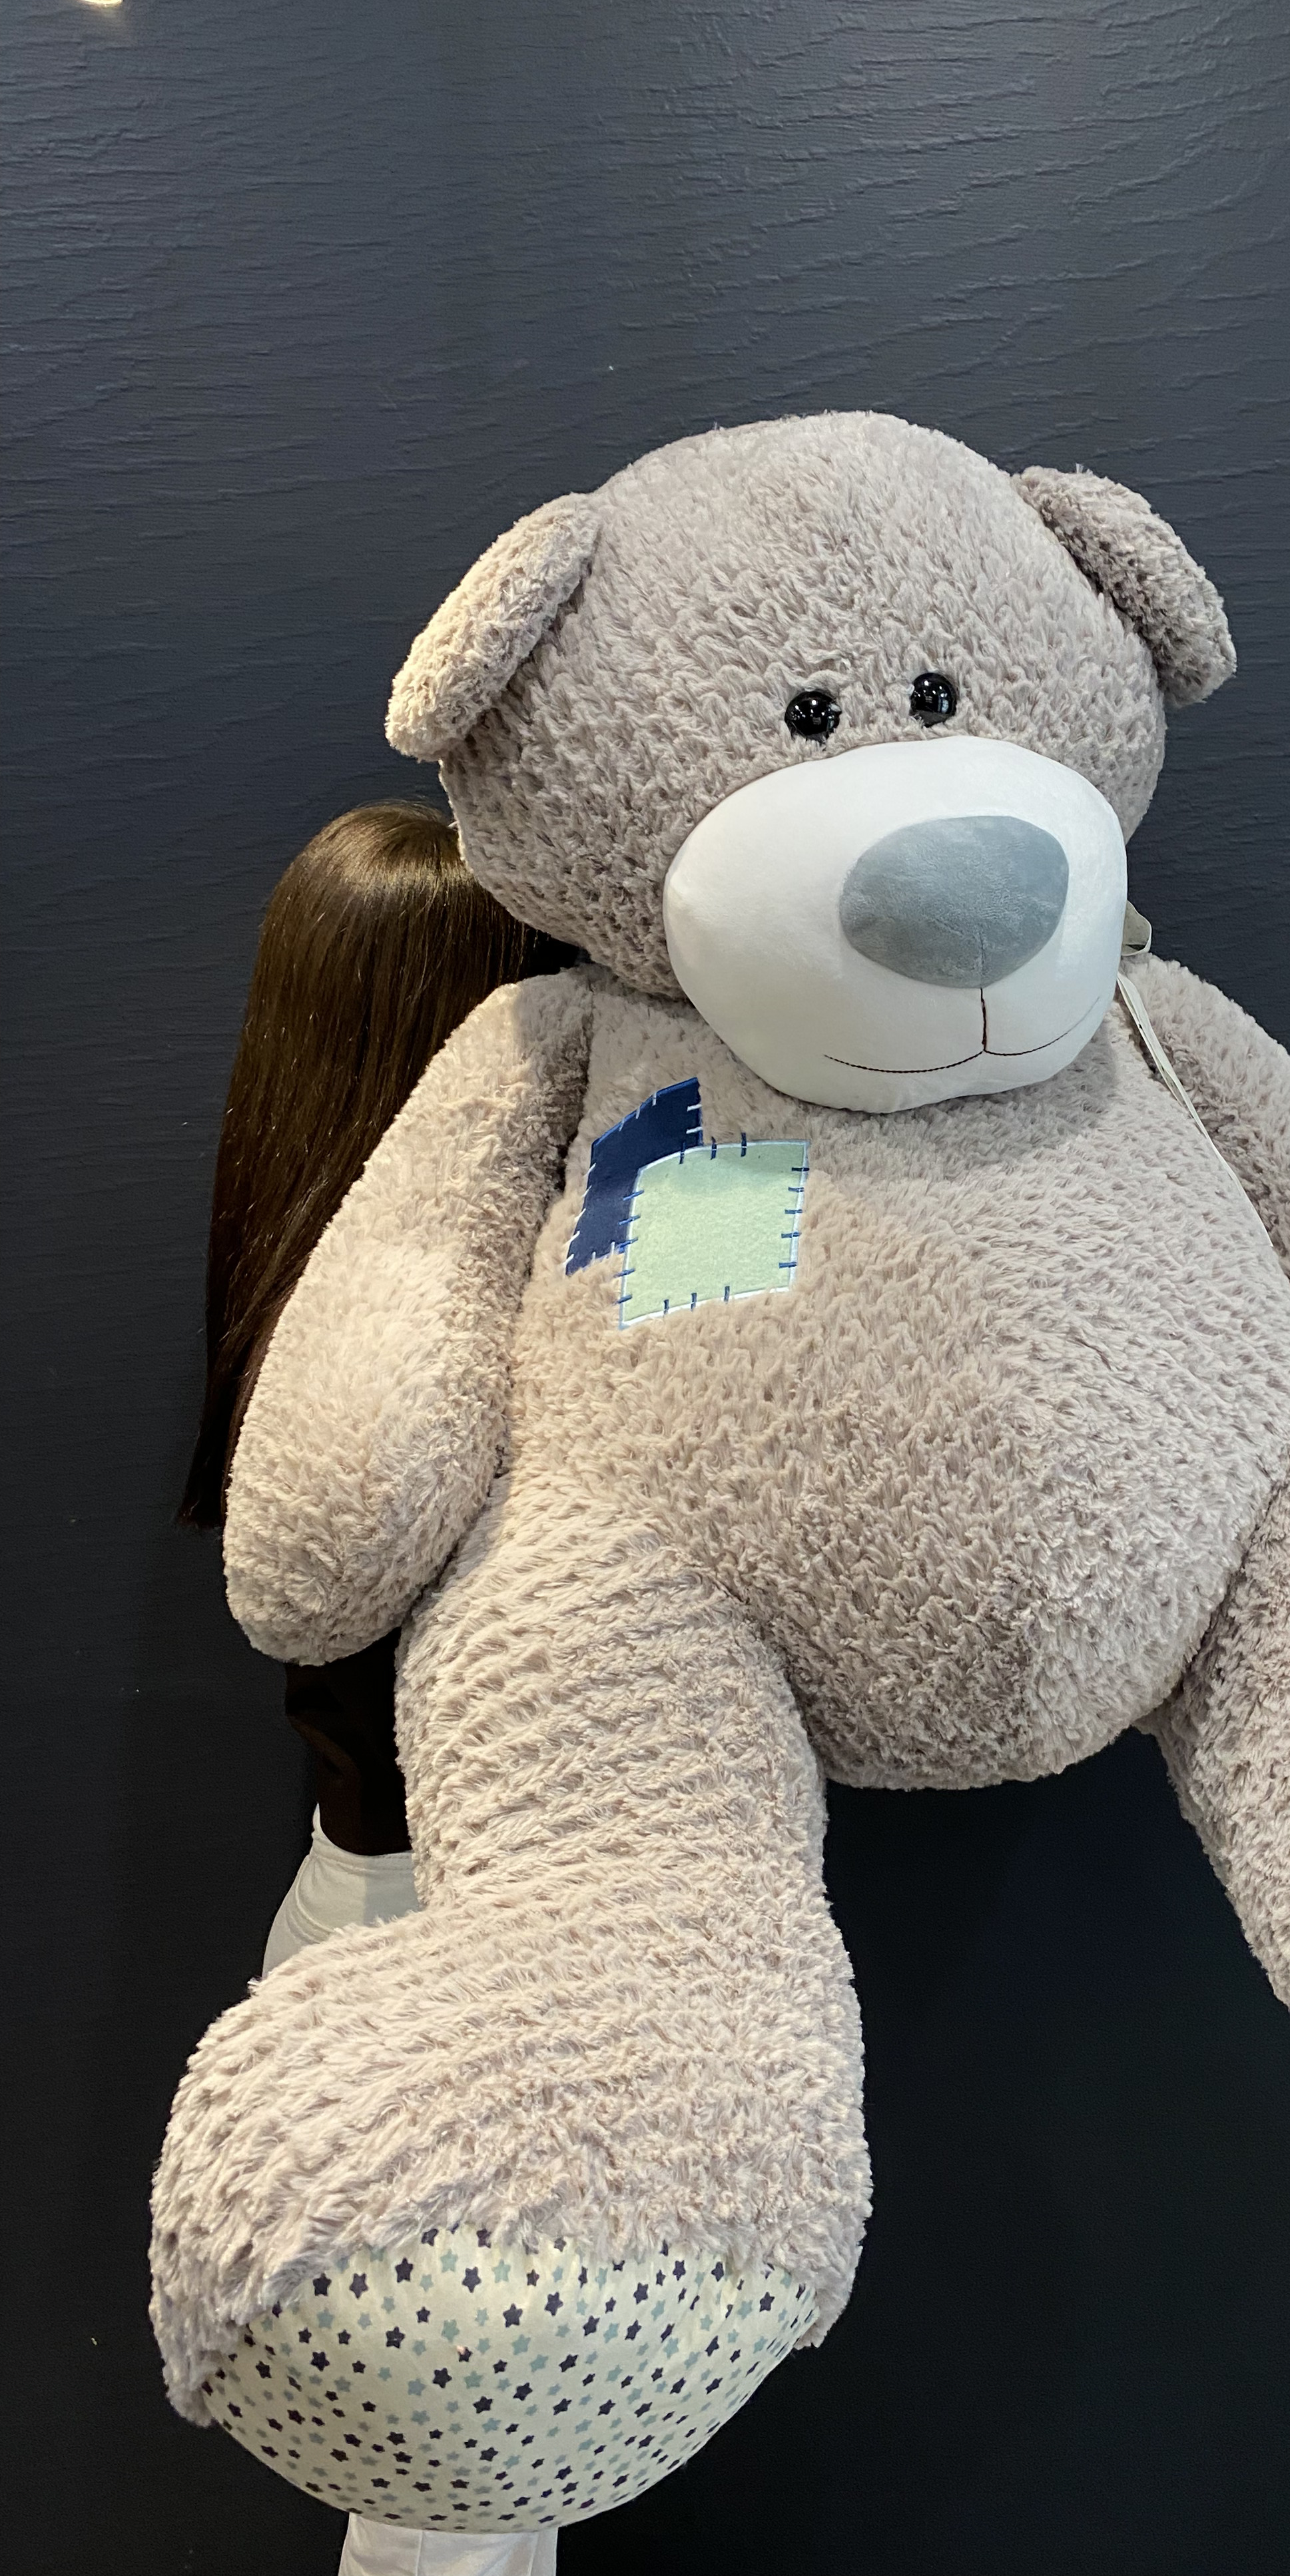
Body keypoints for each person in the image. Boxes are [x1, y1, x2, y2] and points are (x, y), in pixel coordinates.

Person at [182, 802, 570, 2575]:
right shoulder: (436, 1367)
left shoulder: (294, 1306)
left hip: (372, 1925)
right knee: (451, 2537)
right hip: (450, 1974)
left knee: (462, 2523)